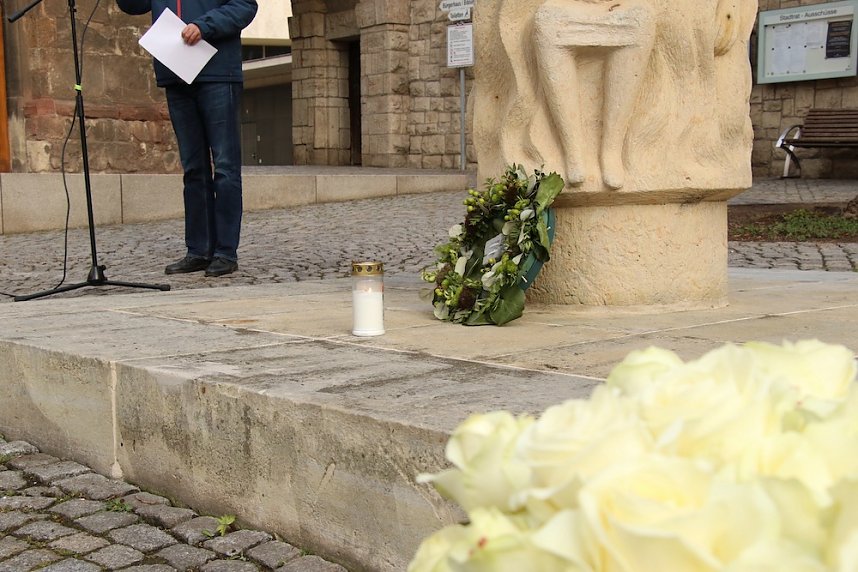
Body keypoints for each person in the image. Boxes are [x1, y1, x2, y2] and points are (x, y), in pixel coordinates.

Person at [116, 0, 258, 277]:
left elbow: (245, 6)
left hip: (217, 73)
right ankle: (199, 250)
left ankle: (225, 252)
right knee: (193, 169)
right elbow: (132, 5)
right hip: (176, 75)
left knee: (225, 167)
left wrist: (203, 27)